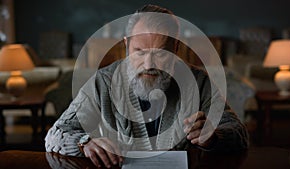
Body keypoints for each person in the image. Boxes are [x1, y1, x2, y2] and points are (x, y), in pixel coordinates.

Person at [45, 4, 249, 168]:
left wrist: (214, 137)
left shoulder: (198, 81)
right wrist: (83, 143)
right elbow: (55, 135)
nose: (149, 64)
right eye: (139, 52)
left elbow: (239, 133)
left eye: (160, 54)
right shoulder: (103, 82)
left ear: (176, 48)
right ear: (126, 45)